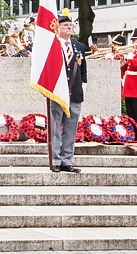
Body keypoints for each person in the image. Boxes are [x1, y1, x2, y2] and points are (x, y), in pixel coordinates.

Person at [50, 11, 87, 173]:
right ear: (57, 28)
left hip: (75, 92)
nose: (69, 27)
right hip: (58, 91)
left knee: (71, 129)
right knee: (55, 127)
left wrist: (82, 88)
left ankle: (67, 160)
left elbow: (83, 71)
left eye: (71, 25)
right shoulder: (52, 46)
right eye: (65, 25)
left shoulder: (79, 47)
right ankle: (55, 160)